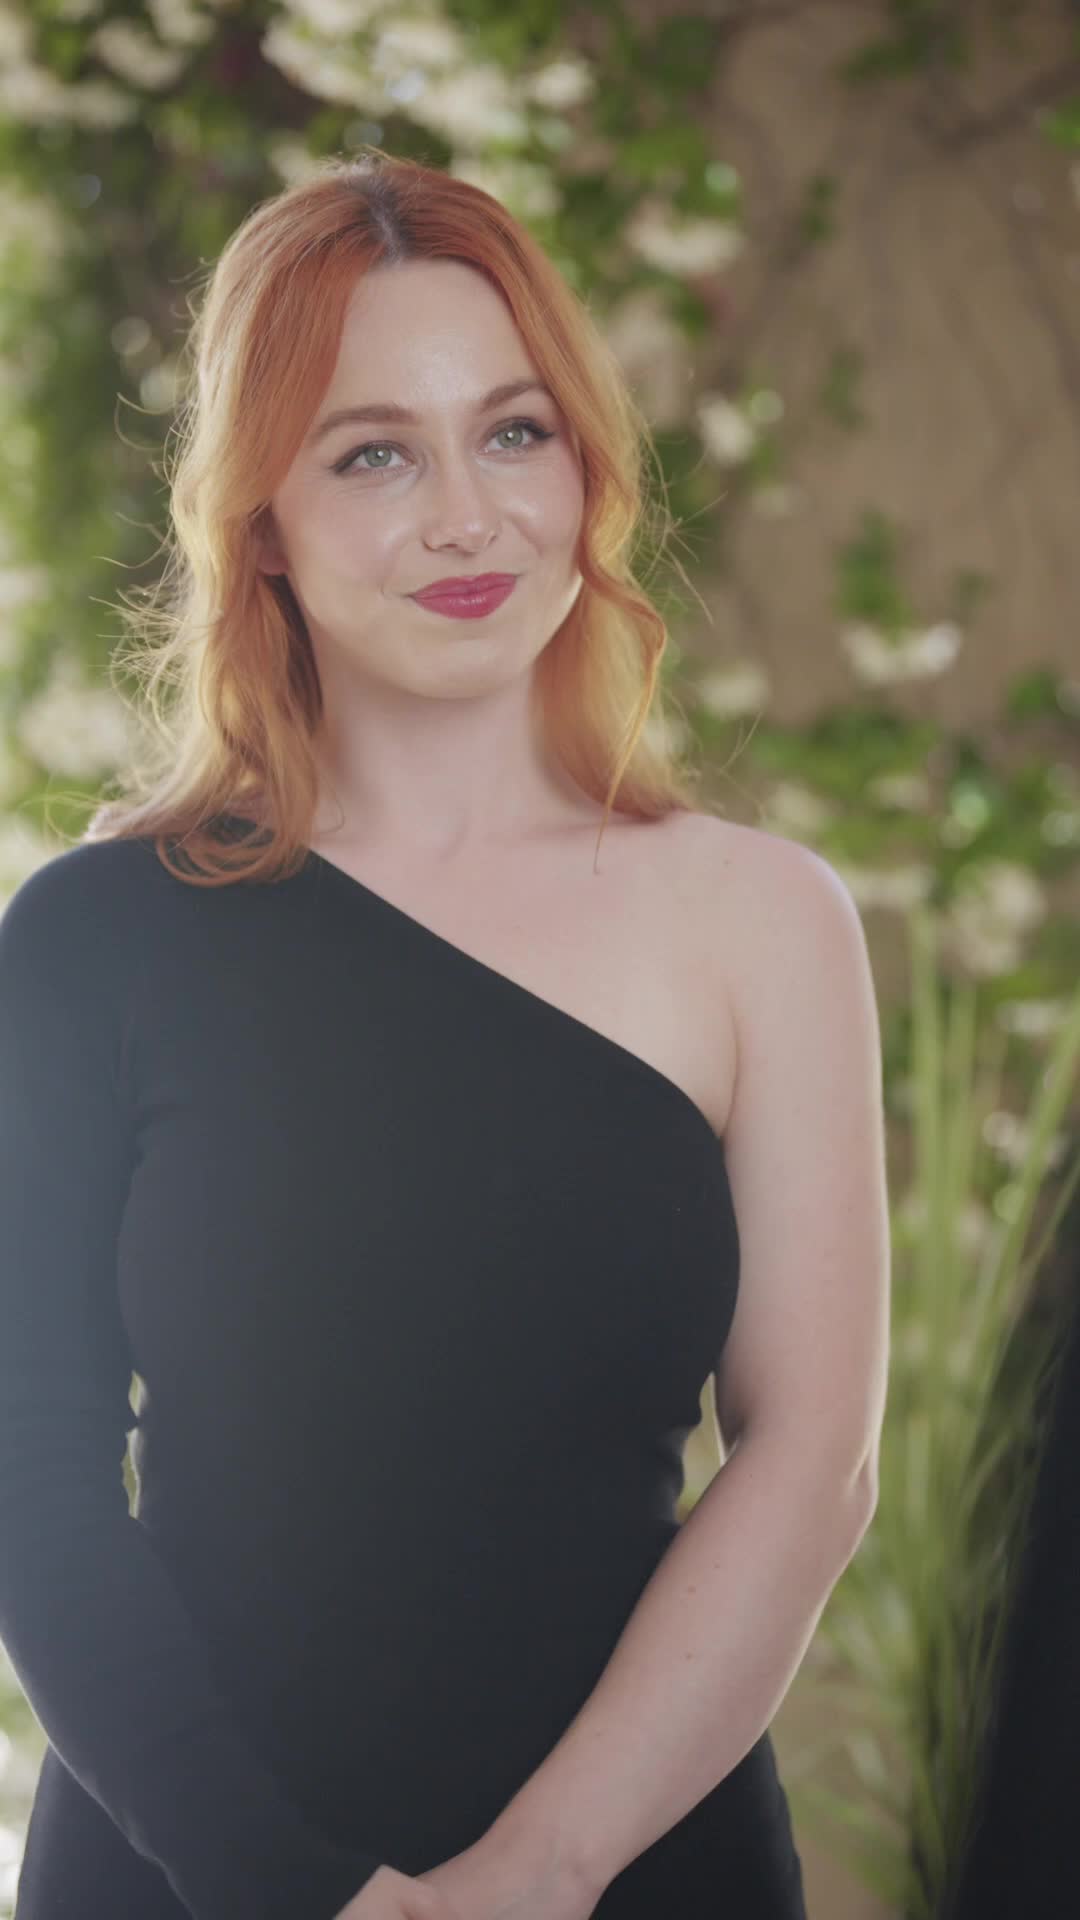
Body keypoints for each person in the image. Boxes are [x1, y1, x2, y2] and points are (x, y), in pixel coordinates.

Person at [0, 149, 888, 1918]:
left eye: (515, 432)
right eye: (374, 453)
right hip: (186, 1874)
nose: (469, 518)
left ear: (586, 465)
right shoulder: (96, 936)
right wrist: (294, 1889)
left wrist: (539, 1876)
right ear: (261, 514)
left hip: (639, 1867)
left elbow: (810, 1460)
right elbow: (28, 1470)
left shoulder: (766, 920)